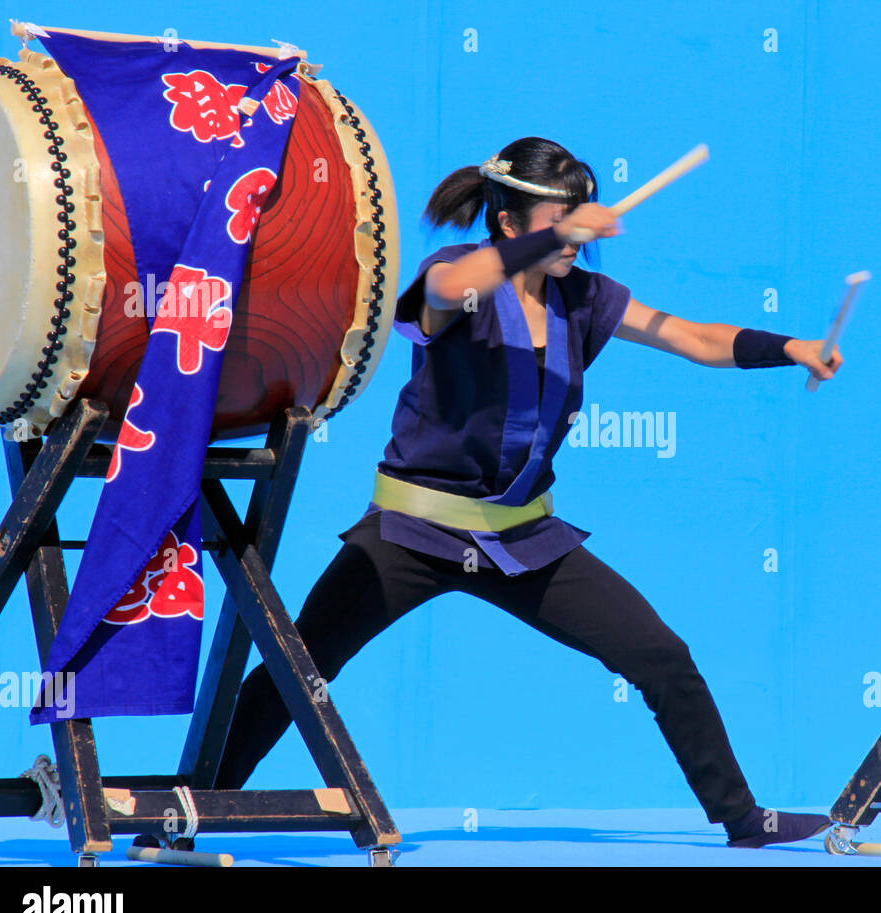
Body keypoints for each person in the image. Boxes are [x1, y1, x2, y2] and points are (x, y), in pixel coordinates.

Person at [214, 136, 843, 849]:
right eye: (556, 219)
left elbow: (694, 338)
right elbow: (447, 292)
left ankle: (742, 818)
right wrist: (558, 234)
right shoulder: (454, 276)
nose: (575, 233)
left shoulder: (584, 299)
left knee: (662, 654)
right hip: (412, 532)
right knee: (299, 671)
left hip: (522, 539)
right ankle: (199, 804)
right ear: (508, 224)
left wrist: (791, 347)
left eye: (579, 214)